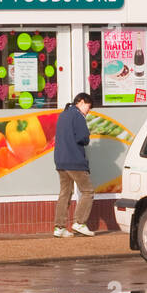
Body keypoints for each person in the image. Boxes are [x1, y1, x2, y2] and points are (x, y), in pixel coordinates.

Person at [53, 92, 95, 237]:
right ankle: (79, 222)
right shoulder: (78, 116)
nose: (88, 112)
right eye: (88, 108)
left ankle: (59, 228)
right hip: (74, 160)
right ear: (81, 102)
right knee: (88, 191)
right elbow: (83, 138)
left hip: (60, 160)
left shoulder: (63, 115)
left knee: (65, 193)